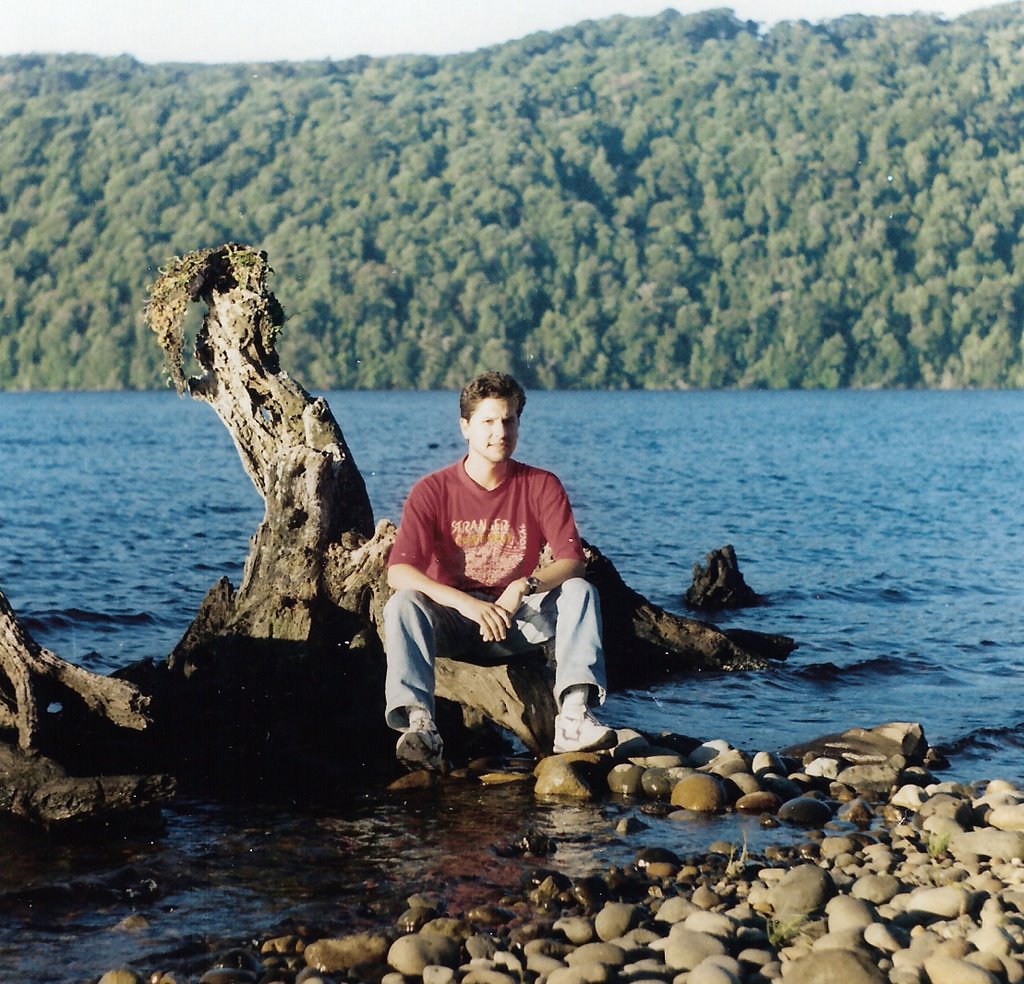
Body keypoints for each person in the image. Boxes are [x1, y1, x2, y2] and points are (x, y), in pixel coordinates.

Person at [384, 371, 614, 770]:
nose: (500, 431)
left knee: (580, 591)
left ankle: (573, 717)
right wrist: (467, 605)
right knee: (402, 605)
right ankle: (421, 727)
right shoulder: (432, 491)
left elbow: (571, 559)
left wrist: (523, 587)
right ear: (465, 427)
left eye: (509, 420)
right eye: (488, 421)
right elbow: (398, 571)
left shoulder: (541, 485)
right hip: (454, 624)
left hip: (515, 623)